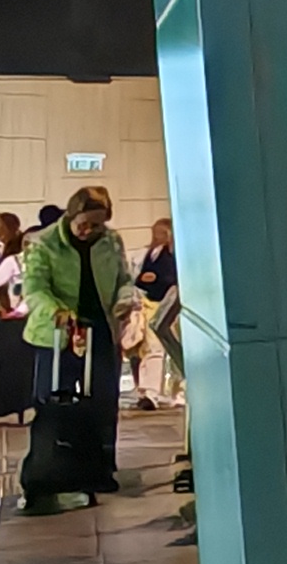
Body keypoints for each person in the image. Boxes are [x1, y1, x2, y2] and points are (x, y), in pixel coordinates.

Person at [19, 186, 132, 514]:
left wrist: (126, 298)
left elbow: (124, 279)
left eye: (98, 225)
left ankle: (100, 469)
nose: (89, 231)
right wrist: (56, 310)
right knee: (54, 402)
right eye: (85, 224)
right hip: (56, 334)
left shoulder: (112, 241)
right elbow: (34, 289)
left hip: (100, 330)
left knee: (103, 401)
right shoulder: (43, 243)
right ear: (71, 215)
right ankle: (51, 467)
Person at [132, 217, 182, 410]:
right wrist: (143, 279)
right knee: (152, 350)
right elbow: (140, 279)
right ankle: (149, 392)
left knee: (169, 349)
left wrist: (157, 279)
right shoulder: (151, 254)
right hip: (152, 304)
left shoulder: (173, 254)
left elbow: (174, 277)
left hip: (171, 305)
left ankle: (177, 390)